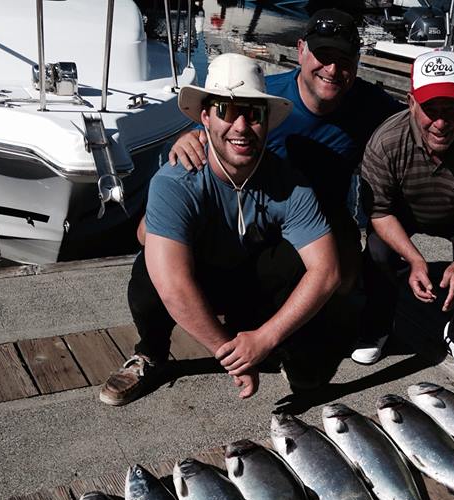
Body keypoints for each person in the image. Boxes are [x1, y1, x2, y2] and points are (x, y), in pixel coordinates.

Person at [99, 53, 339, 406]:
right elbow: (174, 286)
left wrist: (265, 338)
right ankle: (151, 354)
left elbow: (327, 271)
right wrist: (232, 357)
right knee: (150, 270)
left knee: (294, 259)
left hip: (248, 281)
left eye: (254, 113)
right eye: (227, 111)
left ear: (267, 122)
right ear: (205, 118)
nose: (241, 126)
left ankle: (273, 343)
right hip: (198, 275)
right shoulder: (175, 180)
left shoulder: (290, 182)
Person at [161, 9, 403, 293]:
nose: (333, 70)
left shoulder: (372, 105)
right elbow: (218, 129)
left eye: (345, 60)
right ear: (300, 50)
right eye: (324, 56)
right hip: (263, 215)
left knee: (343, 282)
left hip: (328, 217)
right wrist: (187, 138)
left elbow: (421, 119)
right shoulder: (266, 101)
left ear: (358, 62)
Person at [354, 50, 454, 376]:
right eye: (429, 109)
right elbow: (379, 212)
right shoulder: (385, 141)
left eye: (450, 109)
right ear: (411, 102)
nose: (440, 123)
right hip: (403, 212)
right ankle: (377, 326)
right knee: (378, 251)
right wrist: (414, 259)